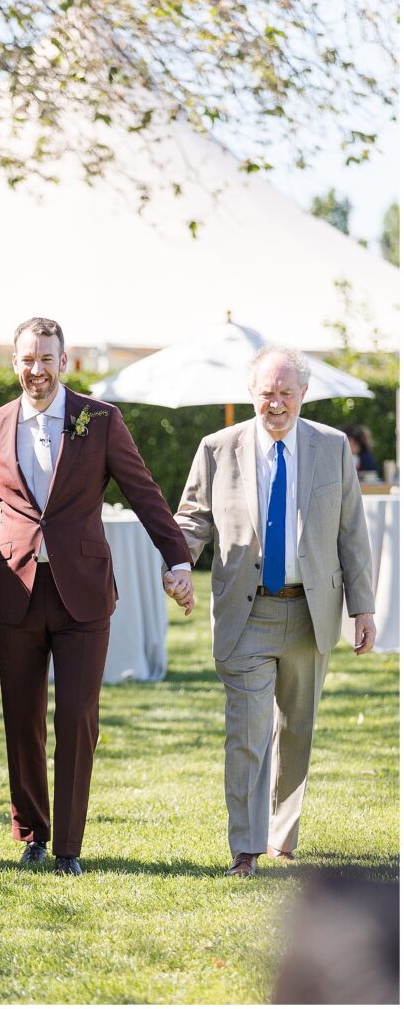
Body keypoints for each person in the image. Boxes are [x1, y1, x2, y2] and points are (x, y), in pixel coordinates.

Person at [0, 317, 194, 876]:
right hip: (15, 590)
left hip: (82, 594)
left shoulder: (100, 420)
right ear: (15, 363)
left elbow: (144, 493)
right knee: (22, 718)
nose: (36, 369)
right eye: (27, 359)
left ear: (65, 362)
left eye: (46, 359)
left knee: (78, 718)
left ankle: (69, 848)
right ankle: (33, 833)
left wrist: (176, 559)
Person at [174, 346, 376, 877]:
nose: (277, 403)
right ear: (252, 394)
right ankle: (245, 846)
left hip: (312, 612)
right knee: (247, 731)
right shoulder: (218, 448)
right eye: (268, 393)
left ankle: (281, 836)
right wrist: (178, 563)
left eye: (287, 393)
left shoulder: (332, 449)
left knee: (297, 731)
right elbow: (192, 517)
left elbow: (351, 531)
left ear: (304, 394)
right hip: (247, 613)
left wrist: (364, 608)